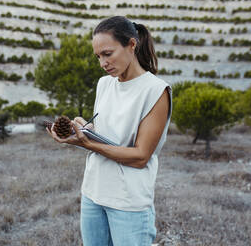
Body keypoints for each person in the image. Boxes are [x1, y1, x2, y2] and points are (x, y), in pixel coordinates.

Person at [47, 16, 172, 246]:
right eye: (98, 56)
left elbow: (140, 157)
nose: (103, 63)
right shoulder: (104, 84)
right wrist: (84, 130)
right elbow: (109, 130)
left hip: (128, 201)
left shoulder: (155, 91)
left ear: (132, 45)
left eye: (108, 53)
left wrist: (87, 143)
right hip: (93, 192)